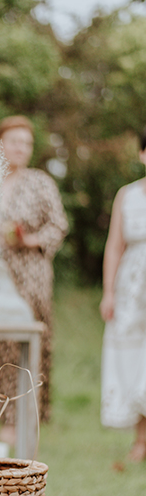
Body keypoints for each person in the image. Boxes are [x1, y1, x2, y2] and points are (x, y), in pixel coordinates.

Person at [0, 116, 68, 430]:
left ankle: (26, 418)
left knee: (29, 340)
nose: (21, 149)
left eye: (26, 143)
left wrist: (30, 240)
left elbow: (59, 225)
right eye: (15, 142)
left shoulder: (40, 182)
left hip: (31, 273)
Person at [100, 127, 146, 461]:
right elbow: (114, 246)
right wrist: (108, 293)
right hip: (132, 287)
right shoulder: (127, 195)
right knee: (132, 360)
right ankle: (140, 440)